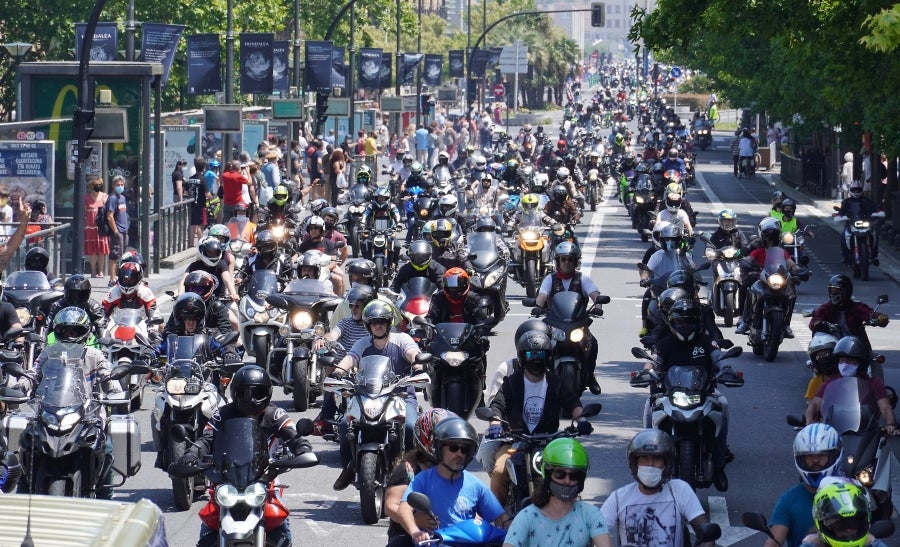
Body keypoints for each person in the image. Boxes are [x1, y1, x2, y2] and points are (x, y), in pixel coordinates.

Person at [176, 365, 313, 545]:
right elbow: (206, 439)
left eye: (257, 393)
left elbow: (293, 435)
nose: (251, 399)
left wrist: (303, 449)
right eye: (245, 393)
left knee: (279, 520)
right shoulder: (223, 413)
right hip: (227, 477)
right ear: (235, 392)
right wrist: (191, 454)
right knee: (210, 518)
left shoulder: (276, 414)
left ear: (268, 393)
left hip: (265, 475)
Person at [484, 329, 592, 506]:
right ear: (522, 357)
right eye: (531, 354)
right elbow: (497, 406)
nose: (536, 358)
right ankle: (498, 520)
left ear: (548, 356)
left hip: (549, 442)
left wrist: (582, 421)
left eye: (541, 353)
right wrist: (495, 424)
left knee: (569, 469)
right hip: (516, 442)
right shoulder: (512, 382)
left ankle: (570, 510)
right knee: (499, 471)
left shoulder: (556, 382)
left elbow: (573, 404)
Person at [331, 300, 424, 491]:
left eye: (382, 321)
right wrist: (338, 372)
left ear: (389, 322)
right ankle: (349, 467)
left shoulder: (402, 339)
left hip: (401, 396)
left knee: (409, 425)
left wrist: (417, 364)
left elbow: (413, 352)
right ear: (368, 325)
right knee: (343, 425)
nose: (378, 325)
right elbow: (350, 358)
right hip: (368, 396)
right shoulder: (363, 343)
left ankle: (416, 469)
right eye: (374, 322)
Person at [641, 300, 731, 491]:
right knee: (650, 406)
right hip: (670, 394)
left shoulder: (706, 341)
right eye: (681, 322)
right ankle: (648, 455)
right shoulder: (665, 343)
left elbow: (718, 358)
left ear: (697, 323)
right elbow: (653, 362)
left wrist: (727, 370)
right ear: (672, 323)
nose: (685, 326)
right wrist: (647, 371)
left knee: (723, 405)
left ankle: (719, 466)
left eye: (689, 322)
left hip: (703, 393)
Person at [394, 417, 506, 546]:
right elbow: (404, 509)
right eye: (453, 448)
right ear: (440, 448)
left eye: (464, 450)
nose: (459, 454)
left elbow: (501, 518)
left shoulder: (476, 485)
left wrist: (516, 530)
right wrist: (416, 533)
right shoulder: (423, 480)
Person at [601, 430, 713, 547]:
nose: (650, 464)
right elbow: (596, 532)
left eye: (657, 458)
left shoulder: (680, 490)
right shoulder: (619, 498)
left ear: (667, 463)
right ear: (635, 463)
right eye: (644, 457)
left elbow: (707, 535)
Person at [503, 438, 611, 547]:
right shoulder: (527, 517)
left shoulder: (591, 514)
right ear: (548, 473)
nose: (567, 481)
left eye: (574, 475)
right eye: (560, 474)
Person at [534, 242, 605, 395]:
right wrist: (537, 306)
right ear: (558, 261)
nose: (567, 263)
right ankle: (536, 375)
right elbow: (542, 295)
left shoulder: (583, 278)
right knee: (538, 346)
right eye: (563, 259)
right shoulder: (550, 279)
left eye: (570, 259)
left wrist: (598, 305)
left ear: (576, 261)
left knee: (593, 343)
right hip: (554, 324)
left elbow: (594, 293)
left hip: (578, 323)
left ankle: (590, 375)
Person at [310, 285, 377, 435]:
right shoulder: (345, 323)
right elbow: (333, 334)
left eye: (357, 306)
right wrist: (324, 340)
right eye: (351, 305)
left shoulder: (375, 327)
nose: (353, 309)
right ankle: (326, 417)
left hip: (369, 371)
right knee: (330, 371)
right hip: (342, 371)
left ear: (369, 307)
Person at [384, 409, 457, 547]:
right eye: (445, 442)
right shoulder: (408, 469)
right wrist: (415, 520)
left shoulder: (456, 470)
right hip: (409, 536)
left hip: (450, 534)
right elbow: (390, 506)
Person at [764, 424, 843, 547]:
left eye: (821, 455)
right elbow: (774, 542)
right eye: (810, 456)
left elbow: (866, 536)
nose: (815, 461)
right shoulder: (789, 500)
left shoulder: (851, 495)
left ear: (834, 456)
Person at [803, 336, 899, 431]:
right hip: (833, 432)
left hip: (866, 433)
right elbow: (814, 405)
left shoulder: (874, 384)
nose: (844, 364)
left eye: (849, 360)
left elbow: (885, 408)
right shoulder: (829, 384)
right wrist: (809, 422)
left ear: (861, 363)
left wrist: (890, 424)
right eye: (841, 360)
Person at [736, 217, 804, 337]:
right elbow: (748, 260)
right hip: (761, 279)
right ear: (762, 236)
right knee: (747, 288)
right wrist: (745, 264)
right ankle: (745, 320)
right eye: (767, 236)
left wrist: (798, 271)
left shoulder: (782, 252)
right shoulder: (757, 250)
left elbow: (790, 263)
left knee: (792, 292)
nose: (770, 240)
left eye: (773, 236)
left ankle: (786, 323)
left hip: (777, 280)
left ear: (778, 236)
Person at [807, 274, 888, 375]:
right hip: (834, 347)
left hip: (856, 345)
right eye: (832, 291)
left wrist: (879, 317)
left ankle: (877, 389)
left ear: (847, 292)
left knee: (874, 363)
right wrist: (818, 323)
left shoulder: (856, 307)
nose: (834, 294)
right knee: (819, 366)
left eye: (838, 291)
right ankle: (820, 386)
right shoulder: (827, 308)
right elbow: (814, 321)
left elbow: (869, 313)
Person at [801, 481, 891, 547]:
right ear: (823, 524)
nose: (848, 530)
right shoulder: (813, 544)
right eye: (838, 525)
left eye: (853, 522)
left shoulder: (873, 544)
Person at [426, 267, 490, 335]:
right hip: (442, 338)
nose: (454, 288)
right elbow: (430, 317)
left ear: (465, 284)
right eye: (451, 283)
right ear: (445, 284)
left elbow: (479, 320)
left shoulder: (473, 298)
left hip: (468, 339)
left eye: (459, 283)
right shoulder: (438, 297)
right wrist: (427, 330)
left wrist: (482, 335)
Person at [835, 179, 882, 265]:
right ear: (851, 190)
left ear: (861, 190)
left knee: (875, 235)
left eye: (858, 189)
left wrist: (878, 212)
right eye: (854, 189)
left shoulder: (867, 200)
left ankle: (874, 256)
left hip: (865, 222)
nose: (856, 191)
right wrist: (839, 216)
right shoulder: (846, 202)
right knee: (843, 236)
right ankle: (845, 255)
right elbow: (841, 211)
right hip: (852, 223)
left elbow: (874, 207)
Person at [297, 215, 345, 295]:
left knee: (339, 277)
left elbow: (333, 263)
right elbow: (298, 256)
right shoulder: (304, 244)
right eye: (311, 228)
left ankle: (339, 301)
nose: (313, 230)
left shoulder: (329, 243)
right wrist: (291, 260)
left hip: (325, 269)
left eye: (316, 228)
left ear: (321, 230)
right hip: (309, 269)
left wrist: (323, 269)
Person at [176, 271, 234, 337]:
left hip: (211, 343)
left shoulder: (217, 306)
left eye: (199, 289)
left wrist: (223, 339)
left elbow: (225, 331)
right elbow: (170, 329)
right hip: (185, 343)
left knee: (235, 325)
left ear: (207, 289)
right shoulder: (181, 305)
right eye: (191, 289)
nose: (195, 292)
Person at [183, 236, 240, 302]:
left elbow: (227, 280)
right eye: (209, 252)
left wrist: (233, 294)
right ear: (202, 251)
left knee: (233, 310)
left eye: (215, 252)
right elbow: (183, 281)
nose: (213, 255)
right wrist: (180, 295)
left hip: (219, 302)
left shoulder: (221, 264)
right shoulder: (194, 265)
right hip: (198, 301)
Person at [101, 261, 159, 326]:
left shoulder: (144, 291)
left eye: (131, 280)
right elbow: (104, 309)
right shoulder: (114, 291)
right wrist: (103, 321)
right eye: (125, 280)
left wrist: (152, 326)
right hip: (119, 323)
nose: (127, 283)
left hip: (142, 322)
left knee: (160, 326)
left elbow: (152, 308)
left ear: (138, 279)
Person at [105, 175, 130, 287]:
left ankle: (119, 278)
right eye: (118, 185)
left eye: (122, 185)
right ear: (113, 186)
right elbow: (109, 216)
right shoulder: (112, 198)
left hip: (124, 230)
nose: (120, 187)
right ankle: (112, 279)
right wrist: (115, 231)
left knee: (122, 255)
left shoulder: (123, 198)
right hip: (117, 231)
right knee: (114, 255)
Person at [803, 333, 840, 402]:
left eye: (827, 354)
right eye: (819, 356)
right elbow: (811, 407)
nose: (824, 359)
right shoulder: (815, 382)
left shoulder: (846, 378)